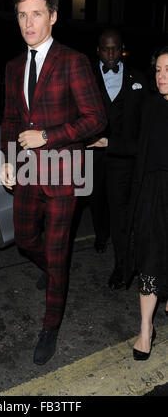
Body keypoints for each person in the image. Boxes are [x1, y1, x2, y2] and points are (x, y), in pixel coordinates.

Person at [0, 0, 107, 365]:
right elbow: (11, 119)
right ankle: (53, 269)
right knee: (27, 241)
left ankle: (50, 324)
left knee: (58, 252)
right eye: (22, 15)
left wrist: (47, 135)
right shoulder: (13, 67)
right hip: (28, 172)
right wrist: (8, 158)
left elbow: (96, 120)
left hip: (64, 173)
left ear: (53, 17)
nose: (28, 24)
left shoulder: (73, 61)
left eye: (37, 15)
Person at [87, 27, 147, 290]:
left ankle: (123, 266)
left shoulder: (140, 79)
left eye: (115, 48)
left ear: (122, 48)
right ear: (97, 51)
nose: (111, 54)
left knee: (120, 215)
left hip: (123, 158)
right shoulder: (86, 77)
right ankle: (101, 235)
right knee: (96, 202)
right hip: (92, 156)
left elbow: (145, 123)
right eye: (105, 49)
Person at [125, 46, 168, 360]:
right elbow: (135, 145)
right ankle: (145, 330)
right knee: (150, 259)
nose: (162, 77)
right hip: (152, 192)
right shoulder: (151, 106)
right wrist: (104, 141)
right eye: (158, 70)